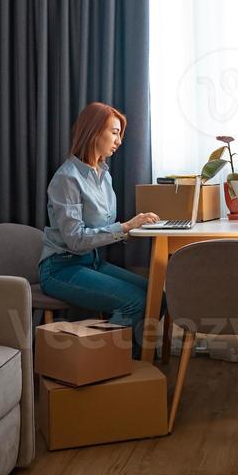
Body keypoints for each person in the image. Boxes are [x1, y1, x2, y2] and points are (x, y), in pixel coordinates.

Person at [39, 102, 162, 358]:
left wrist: (134, 229)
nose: (119, 140)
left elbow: (104, 228)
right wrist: (126, 226)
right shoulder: (67, 178)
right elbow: (75, 240)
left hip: (90, 263)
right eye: (114, 132)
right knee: (136, 302)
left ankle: (126, 367)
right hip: (61, 268)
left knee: (156, 297)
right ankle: (111, 366)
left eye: (120, 134)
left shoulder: (103, 175)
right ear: (95, 132)